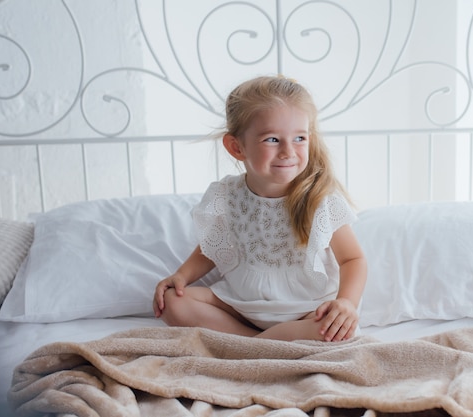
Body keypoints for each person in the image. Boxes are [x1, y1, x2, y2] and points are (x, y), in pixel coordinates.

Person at [152, 75, 367, 342]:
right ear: (237, 147)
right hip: (242, 303)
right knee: (173, 302)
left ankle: (249, 344)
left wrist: (346, 302)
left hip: (305, 309)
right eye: (272, 140)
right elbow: (213, 247)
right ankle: (262, 342)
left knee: (335, 331)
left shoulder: (318, 198)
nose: (288, 151)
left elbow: (353, 260)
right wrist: (181, 275)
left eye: (299, 138)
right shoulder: (228, 195)